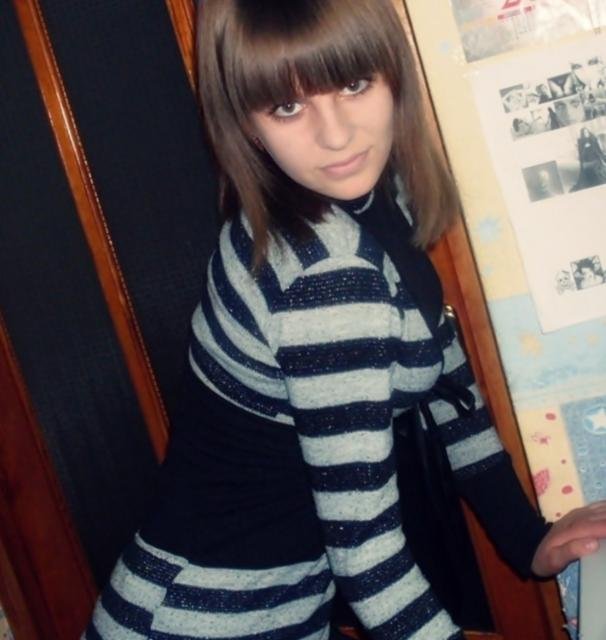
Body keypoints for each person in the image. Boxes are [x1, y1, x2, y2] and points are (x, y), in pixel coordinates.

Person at [83, 1, 606, 639]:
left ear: (393, 74)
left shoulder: (376, 199)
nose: (336, 136)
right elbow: (367, 555)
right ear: (245, 123)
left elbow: (449, 388)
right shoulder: (326, 276)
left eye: (354, 84)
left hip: (271, 609)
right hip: (200, 621)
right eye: (287, 107)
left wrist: (528, 538)